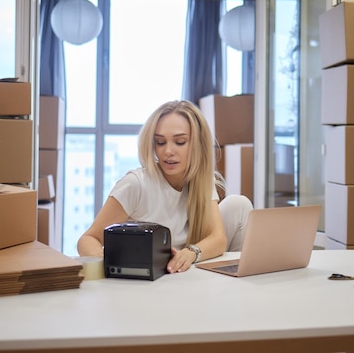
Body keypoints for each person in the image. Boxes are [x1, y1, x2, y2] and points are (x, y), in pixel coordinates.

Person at [77, 100, 252, 273]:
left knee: (239, 205)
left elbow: (218, 239)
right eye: (160, 142)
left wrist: (190, 253)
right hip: (147, 276)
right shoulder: (136, 184)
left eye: (180, 142)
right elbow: (88, 239)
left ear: (198, 144)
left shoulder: (201, 181)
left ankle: (235, 279)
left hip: (182, 271)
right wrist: (109, 266)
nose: (168, 151)